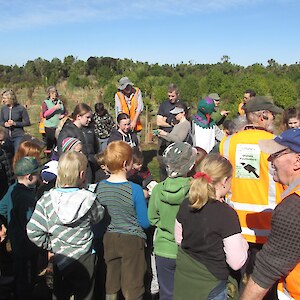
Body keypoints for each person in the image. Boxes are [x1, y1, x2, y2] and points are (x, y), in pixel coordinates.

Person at [219, 96, 285, 285]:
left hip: (234, 224)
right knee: (264, 284)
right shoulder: (277, 143)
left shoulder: (227, 143)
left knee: (239, 282)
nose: (274, 119)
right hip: (267, 225)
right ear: (263, 116)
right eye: (272, 115)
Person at [26, 151, 105, 300]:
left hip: (60, 255)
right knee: (85, 295)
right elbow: (98, 216)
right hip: (85, 255)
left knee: (60, 294)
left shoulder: (47, 199)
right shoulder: (89, 199)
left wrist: (51, 244)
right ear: (82, 175)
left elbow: (32, 230)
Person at [173, 154, 248, 300]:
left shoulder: (187, 203)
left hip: (185, 279)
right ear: (225, 181)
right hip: (211, 284)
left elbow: (179, 239)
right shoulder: (226, 214)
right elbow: (236, 262)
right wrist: (244, 244)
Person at [240, 128, 300, 300]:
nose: (269, 159)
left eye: (276, 154)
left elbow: (266, 272)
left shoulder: (293, 207)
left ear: (297, 160)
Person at [95, 141, 150, 300]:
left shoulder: (100, 187)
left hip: (109, 238)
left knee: (111, 280)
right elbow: (144, 222)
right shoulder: (135, 189)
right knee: (133, 283)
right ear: (126, 163)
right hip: (132, 240)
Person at [148, 142, 197, 300]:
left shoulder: (157, 189)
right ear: (190, 166)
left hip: (163, 249)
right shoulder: (194, 190)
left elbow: (152, 218)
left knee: (167, 293)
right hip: (187, 249)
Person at [0, 157, 43, 299]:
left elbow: (2, 208)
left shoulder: (12, 189)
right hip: (28, 246)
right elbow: (33, 223)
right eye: (37, 174)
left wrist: (7, 225)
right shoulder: (26, 197)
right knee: (28, 278)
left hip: (16, 242)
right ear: (29, 176)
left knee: (20, 272)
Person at [57, 103, 97, 183]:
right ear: (78, 116)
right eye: (87, 117)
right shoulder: (67, 132)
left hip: (89, 168)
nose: (89, 120)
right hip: (75, 171)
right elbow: (62, 154)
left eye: (90, 117)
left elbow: (94, 148)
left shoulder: (88, 130)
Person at [156, 84, 183, 180]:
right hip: (163, 137)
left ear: (178, 94)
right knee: (163, 161)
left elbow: (183, 122)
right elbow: (159, 121)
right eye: (169, 96)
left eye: (173, 96)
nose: (170, 98)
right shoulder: (164, 105)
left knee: (176, 161)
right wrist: (171, 124)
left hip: (176, 137)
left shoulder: (181, 105)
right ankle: (163, 182)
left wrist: (165, 120)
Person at [42, 86, 66, 152]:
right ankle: (49, 158)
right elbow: (45, 114)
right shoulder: (46, 102)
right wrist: (55, 108)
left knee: (58, 144)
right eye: (52, 93)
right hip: (50, 127)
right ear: (49, 94)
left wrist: (63, 115)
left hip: (59, 126)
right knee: (50, 144)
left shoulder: (60, 102)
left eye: (55, 92)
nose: (54, 94)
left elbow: (65, 112)